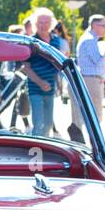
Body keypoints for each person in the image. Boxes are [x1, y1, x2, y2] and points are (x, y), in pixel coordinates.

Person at [23, 8, 66, 137]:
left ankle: (45, 149)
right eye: (40, 22)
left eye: (46, 22)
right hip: (35, 87)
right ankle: (35, 150)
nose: (43, 25)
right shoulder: (30, 41)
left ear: (51, 24)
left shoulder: (56, 41)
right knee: (38, 123)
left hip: (50, 87)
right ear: (35, 24)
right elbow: (26, 67)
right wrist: (40, 82)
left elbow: (57, 63)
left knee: (48, 124)